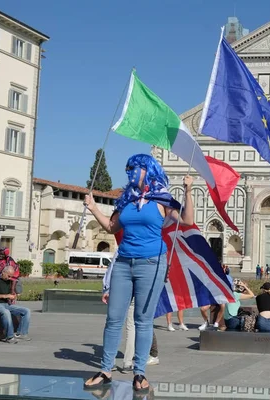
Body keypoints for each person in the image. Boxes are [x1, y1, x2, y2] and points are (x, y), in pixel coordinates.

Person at [83, 154, 194, 393]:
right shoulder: (127, 199)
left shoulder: (162, 199)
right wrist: (93, 208)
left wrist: (187, 191)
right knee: (114, 318)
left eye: (133, 167)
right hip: (123, 263)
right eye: (127, 168)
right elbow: (112, 227)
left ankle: (139, 373)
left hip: (151, 263)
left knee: (142, 320)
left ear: (147, 169)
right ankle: (105, 370)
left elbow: (186, 221)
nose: (129, 172)